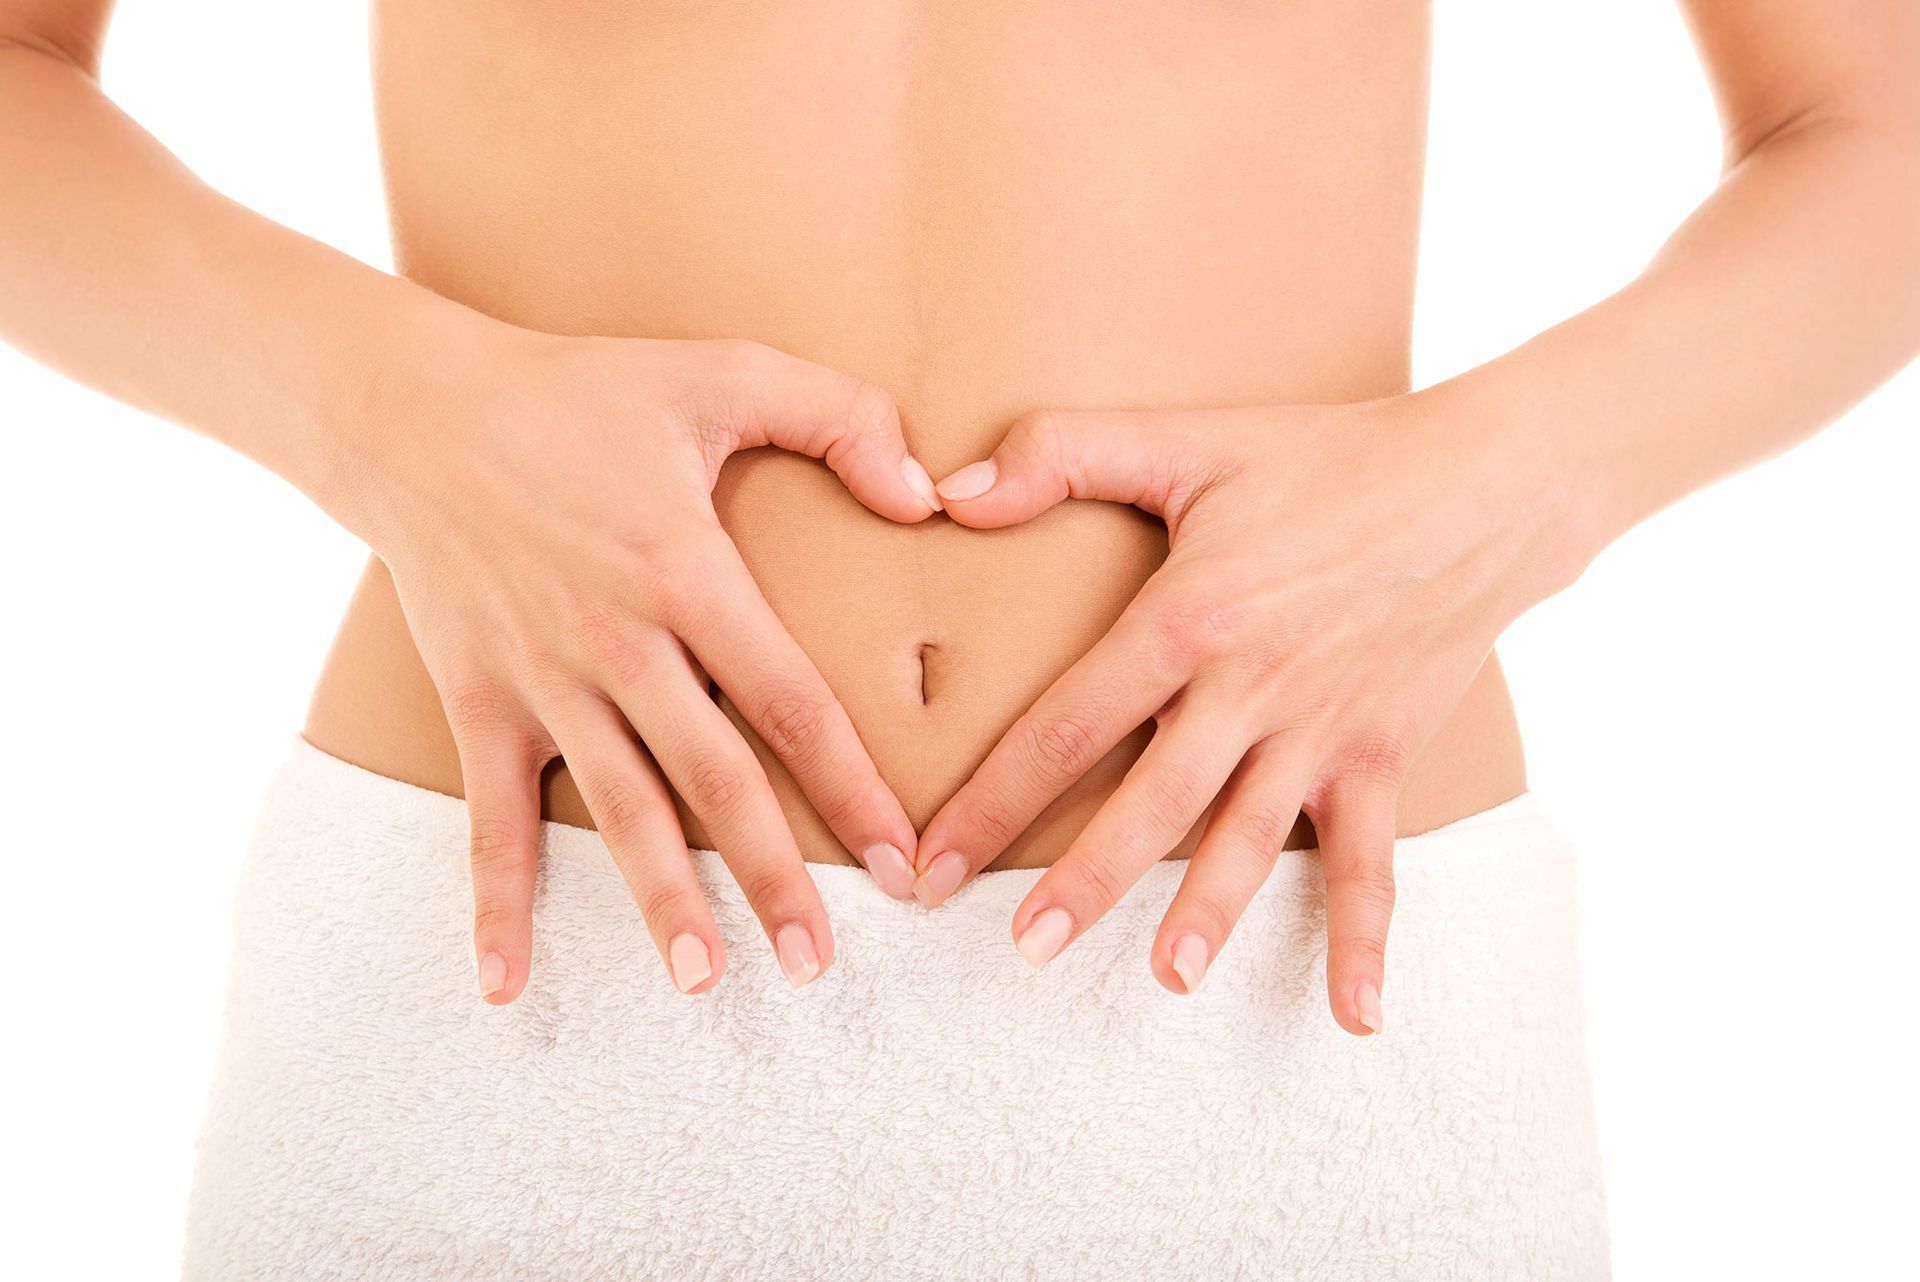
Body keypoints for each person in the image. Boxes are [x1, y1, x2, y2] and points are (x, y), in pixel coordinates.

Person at [2, 0, 1914, 1276]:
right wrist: (388, 414)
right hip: (518, 1005)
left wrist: (1508, 479)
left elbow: (1875, 120)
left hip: (1298, 1018)